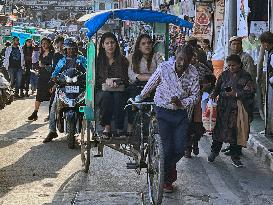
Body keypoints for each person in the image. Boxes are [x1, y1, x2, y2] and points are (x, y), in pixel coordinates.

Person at [135, 44, 199, 192]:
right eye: (181, 59)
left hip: (180, 113)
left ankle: (167, 168)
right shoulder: (164, 67)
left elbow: (195, 95)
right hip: (162, 111)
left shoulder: (193, 72)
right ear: (176, 55)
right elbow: (152, 83)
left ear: (191, 61)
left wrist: (182, 102)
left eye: (186, 61)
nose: (182, 63)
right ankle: (166, 178)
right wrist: (141, 96)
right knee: (167, 147)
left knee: (180, 147)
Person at [207, 54, 255, 168]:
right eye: (229, 65)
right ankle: (214, 152)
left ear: (239, 65)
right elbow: (218, 87)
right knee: (218, 131)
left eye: (233, 65)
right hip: (223, 108)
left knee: (235, 133)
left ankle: (235, 157)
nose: (231, 68)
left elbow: (250, 92)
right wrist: (214, 93)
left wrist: (236, 94)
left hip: (237, 110)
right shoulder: (224, 74)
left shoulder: (246, 76)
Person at [43, 38, 87, 143]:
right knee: (54, 106)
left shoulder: (81, 59)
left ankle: (94, 132)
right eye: (68, 49)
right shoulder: (62, 60)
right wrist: (54, 78)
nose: (70, 51)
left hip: (79, 87)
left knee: (90, 106)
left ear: (75, 49)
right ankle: (52, 130)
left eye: (72, 48)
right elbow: (55, 72)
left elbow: (88, 69)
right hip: (63, 86)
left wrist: (88, 76)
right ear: (65, 50)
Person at [221, 36, 256, 155]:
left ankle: (237, 149)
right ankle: (232, 146)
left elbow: (249, 78)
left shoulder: (246, 58)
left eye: (237, 44)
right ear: (230, 45)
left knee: (241, 124)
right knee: (230, 123)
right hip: (230, 97)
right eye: (233, 44)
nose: (235, 46)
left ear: (241, 45)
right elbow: (225, 77)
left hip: (243, 97)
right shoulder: (229, 58)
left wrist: (239, 92)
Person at [127, 34, 163, 134]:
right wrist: (151, 77)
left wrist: (149, 80)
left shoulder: (157, 56)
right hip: (137, 86)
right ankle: (130, 126)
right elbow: (132, 75)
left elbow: (162, 72)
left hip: (155, 87)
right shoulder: (131, 58)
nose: (147, 45)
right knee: (131, 99)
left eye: (149, 43)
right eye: (143, 44)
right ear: (139, 46)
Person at [96, 32, 129, 139]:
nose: (110, 45)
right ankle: (106, 126)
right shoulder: (97, 61)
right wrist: (106, 80)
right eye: (107, 43)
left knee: (118, 97)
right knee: (106, 96)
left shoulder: (123, 60)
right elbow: (94, 79)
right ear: (102, 45)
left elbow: (126, 78)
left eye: (112, 43)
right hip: (102, 90)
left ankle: (119, 128)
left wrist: (117, 82)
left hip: (119, 89)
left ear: (116, 44)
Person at [184, 51, 215, 158]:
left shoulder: (202, 68)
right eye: (190, 56)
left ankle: (195, 143)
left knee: (197, 126)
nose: (192, 58)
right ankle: (188, 148)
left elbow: (212, 79)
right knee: (187, 125)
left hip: (198, 102)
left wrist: (205, 87)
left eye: (194, 56)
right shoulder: (183, 68)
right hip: (186, 103)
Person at [27, 38, 55, 121]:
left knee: (51, 96)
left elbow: (55, 67)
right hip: (42, 77)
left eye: (45, 43)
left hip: (50, 78)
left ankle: (51, 114)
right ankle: (35, 113)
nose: (43, 45)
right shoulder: (41, 53)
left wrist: (45, 66)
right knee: (38, 95)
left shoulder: (53, 54)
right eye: (42, 43)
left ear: (49, 44)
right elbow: (38, 63)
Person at [44, 36, 65, 122]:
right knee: (53, 98)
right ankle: (51, 116)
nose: (60, 48)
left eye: (62, 45)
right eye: (58, 46)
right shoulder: (55, 55)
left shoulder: (72, 53)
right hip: (59, 79)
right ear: (55, 45)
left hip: (72, 79)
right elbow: (54, 70)